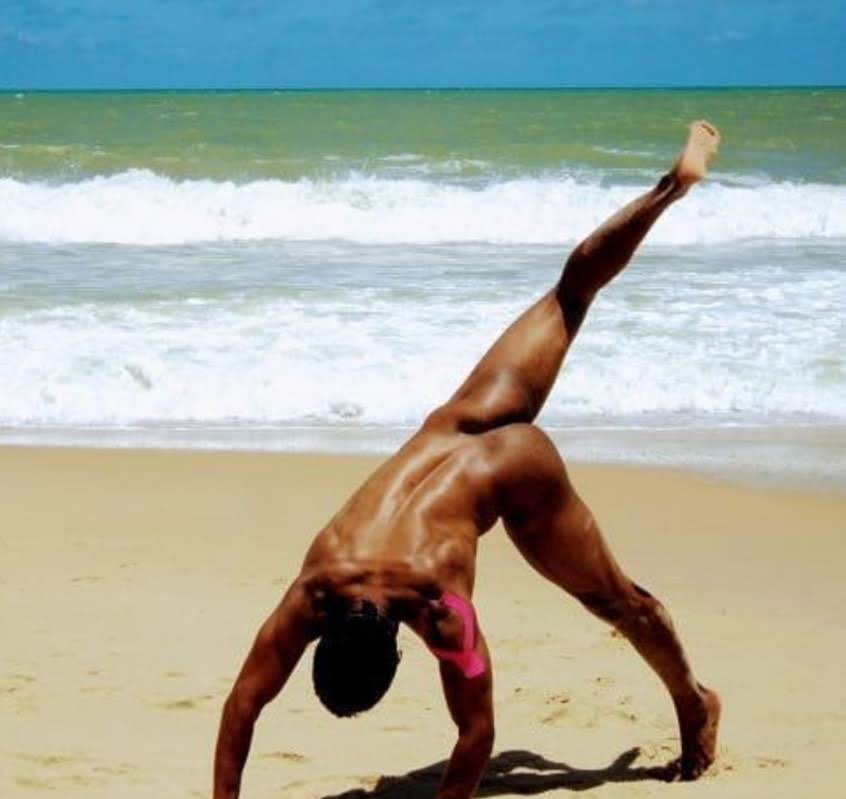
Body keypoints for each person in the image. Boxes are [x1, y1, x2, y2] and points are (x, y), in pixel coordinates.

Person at [212, 121, 722, 799]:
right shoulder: (317, 582)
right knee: (569, 295)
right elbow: (241, 704)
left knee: (613, 598)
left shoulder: (439, 607)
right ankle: (670, 188)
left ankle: (695, 700)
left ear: (401, 648)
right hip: (459, 423)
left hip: (519, 470)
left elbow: (476, 733)